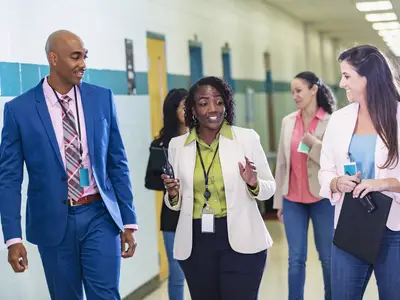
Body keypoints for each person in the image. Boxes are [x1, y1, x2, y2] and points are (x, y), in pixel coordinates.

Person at [0, 30, 137, 300]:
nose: (83, 63)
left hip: (100, 214)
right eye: (75, 57)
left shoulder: (101, 99)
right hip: (53, 222)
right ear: (53, 59)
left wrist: (129, 220)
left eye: (84, 56)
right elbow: (9, 178)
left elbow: (117, 162)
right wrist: (13, 238)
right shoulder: (20, 109)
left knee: (106, 294)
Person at [161, 76, 276, 300]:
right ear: (193, 109)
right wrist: (173, 194)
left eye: (219, 101)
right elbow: (174, 203)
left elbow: (269, 187)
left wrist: (253, 183)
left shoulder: (246, 138)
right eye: (204, 103)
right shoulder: (177, 146)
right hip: (197, 242)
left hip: (242, 239)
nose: (213, 109)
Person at [319, 44, 400, 299]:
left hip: (393, 229)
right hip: (351, 224)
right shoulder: (340, 119)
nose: (342, 84)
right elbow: (325, 170)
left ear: (368, 77)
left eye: (347, 76)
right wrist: (336, 182)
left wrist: (383, 183)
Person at [273, 71, 336, 300]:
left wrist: (314, 143)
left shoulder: (331, 121)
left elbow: (333, 162)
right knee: (295, 259)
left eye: (298, 91)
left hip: (322, 199)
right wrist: (279, 202)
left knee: (328, 258)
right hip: (292, 199)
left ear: (314, 90)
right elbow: (281, 163)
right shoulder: (288, 121)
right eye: (292, 92)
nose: (295, 96)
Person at [145, 88, 188, 300]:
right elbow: (149, 180)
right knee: (177, 272)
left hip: (201, 213)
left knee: (205, 271)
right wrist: (170, 183)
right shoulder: (161, 144)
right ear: (173, 111)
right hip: (172, 215)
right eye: (183, 106)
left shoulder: (202, 138)